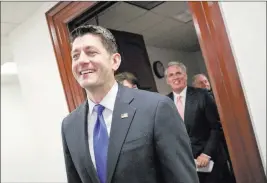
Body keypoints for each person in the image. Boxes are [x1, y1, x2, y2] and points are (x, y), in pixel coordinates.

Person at [61, 25, 199, 183]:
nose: (82, 61)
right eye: (75, 56)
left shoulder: (156, 108)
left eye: (91, 52)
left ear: (115, 61)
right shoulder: (69, 125)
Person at [165, 61, 226, 183]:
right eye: (171, 75)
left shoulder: (202, 95)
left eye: (178, 73)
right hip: (187, 164)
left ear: (185, 76)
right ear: (167, 80)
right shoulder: (165, 102)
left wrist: (206, 154)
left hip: (210, 160)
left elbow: (216, 127)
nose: (175, 77)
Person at [192, 74, 236, 183]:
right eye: (201, 83)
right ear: (194, 86)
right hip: (206, 146)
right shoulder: (193, 103)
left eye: (206, 81)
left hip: (226, 139)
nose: (205, 84)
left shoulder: (218, 97)